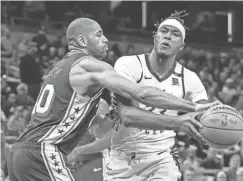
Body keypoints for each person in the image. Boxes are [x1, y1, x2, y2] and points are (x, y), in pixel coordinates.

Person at [7, 17, 219, 181]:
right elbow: (142, 93)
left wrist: (111, 116)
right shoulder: (89, 64)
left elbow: (97, 128)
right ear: (82, 41)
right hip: (44, 152)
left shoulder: (60, 69)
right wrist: (190, 107)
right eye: (99, 35)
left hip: (19, 153)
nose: (106, 39)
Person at [70, 10, 220, 181]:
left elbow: (205, 116)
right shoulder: (129, 64)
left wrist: (216, 125)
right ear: (155, 37)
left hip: (162, 158)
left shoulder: (191, 79)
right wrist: (178, 122)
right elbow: (127, 115)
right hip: (122, 160)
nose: (168, 36)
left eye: (175, 34)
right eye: (164, 31)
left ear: (182, 45)